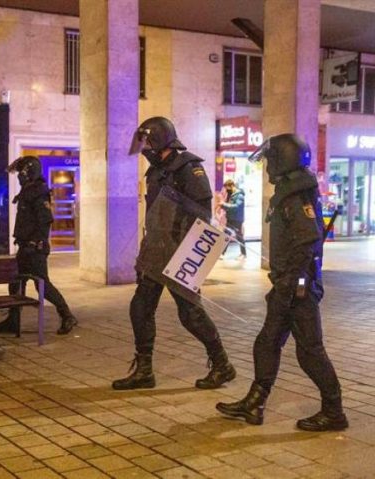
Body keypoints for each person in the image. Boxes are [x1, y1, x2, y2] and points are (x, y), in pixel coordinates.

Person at [216, 134, 348, 431]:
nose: (266, 167)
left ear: (282, 160)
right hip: (289, 286)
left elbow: (307, 241)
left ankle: (334, 410)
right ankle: (255, 402)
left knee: (310, 351)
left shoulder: (296, 194)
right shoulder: (292, 190)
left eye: (270, 160)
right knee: (267, 343)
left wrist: (290, 286)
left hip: (297, 289)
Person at [112, 117, 235, 391]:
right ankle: (144, 370)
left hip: (179, 252)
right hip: (156, 250)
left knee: (190, 313)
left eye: (147, 143)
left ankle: (222, 364)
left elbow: (202, 213)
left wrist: (188, 252)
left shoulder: (188, 168)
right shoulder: (157, 170)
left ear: (158, 142)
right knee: (141, 308)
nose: (144, 150)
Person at [0, 155, 78, 336]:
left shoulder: (38, 192)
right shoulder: (28, 191)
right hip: (25, 246)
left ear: (29, 173)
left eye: (21, 174)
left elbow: (45, 220)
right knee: (16, 282)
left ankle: (67, 315)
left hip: (34, 248)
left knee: (42, 285)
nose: (18, 177)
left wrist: (36, 242)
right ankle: (13, 320)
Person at [220, 179, 246, 258]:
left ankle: (243, 254)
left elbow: (236, 207)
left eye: (228, 188)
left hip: (237, 219)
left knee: (239, 236)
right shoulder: (232, 194)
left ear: (232, 186)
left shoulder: (239, 195)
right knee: (226, 235)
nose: (227, 190)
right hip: (231, 218)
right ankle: (222, 253)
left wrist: (224, 205)